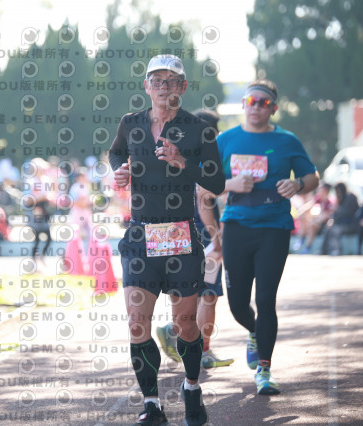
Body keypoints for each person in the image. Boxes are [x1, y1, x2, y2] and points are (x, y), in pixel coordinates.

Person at [109, 54, 225, 426]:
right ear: (146, 86)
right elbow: (116, 152)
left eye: (171, 81)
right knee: (137, 324)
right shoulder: (131, 123)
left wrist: (182, 163)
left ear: (182, 87)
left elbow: (217, 181)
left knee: (185, 324)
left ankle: (191, 387)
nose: (163, 87)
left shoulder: (199, 130)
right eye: (156, 80)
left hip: (180, 236)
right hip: (141, 235)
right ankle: (152, 404)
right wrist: (120, 171)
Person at [218, 79, 319, 395]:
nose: (256, 107)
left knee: (265, 299)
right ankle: (254, 331)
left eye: (263, 103)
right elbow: (204, 180)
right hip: (236, 227)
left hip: (274, 228)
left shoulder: (287, 140)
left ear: (273, 108)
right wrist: (229, 185)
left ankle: (264, 369)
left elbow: (312, 176)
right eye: (251, 101)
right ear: (243, 104)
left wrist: (297, 185)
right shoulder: (226, 139)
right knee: (237, 304)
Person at [156, 109, 234, 370]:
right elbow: (203, 201)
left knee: (187, 293)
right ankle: (202, 350)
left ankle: (174, 331)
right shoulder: (203, 161)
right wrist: (216, 238)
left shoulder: (175, 157)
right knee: (208, 294)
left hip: (175, 231)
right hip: (201, 233)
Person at [321, 182, 359, 255]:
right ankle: (323, 250)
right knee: (327, 229)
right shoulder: (340, 200)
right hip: (341, 224)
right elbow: (336, 216)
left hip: (351, 225)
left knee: (336, 230)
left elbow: (347, 213)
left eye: (339, 191)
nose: (338, 193)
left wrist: (337, 210)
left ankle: (337, 249)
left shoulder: (350, 198)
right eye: (337, 191)